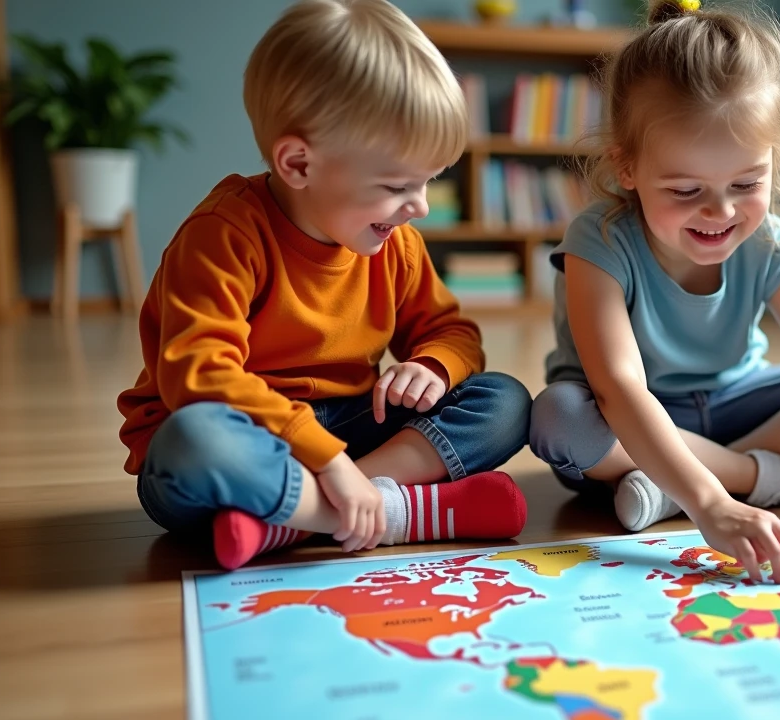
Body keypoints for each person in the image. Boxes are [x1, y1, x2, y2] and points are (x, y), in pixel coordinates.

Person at [529, 0, 780, 584]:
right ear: (627, 168)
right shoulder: (596, 242)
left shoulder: (772, 242)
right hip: (633, 419)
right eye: (684, 189)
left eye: (747, 183)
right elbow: (619, 390)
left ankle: (676, 481)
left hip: (737, 402)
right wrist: (711, 507)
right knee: (559, 419)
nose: (719, 212)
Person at [117, 0, 531, 570]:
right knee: (194, 443)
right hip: (245, 435)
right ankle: (391, 514)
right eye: (396, 185)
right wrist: (326, 460)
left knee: (505, 401)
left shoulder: (393, 240)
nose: (420, 206)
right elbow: (200, 377)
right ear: (299, 164)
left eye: (429, 181)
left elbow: (451, 330)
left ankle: (293, 518)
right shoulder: (224, 234)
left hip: (350, 426)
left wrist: (432, 365)